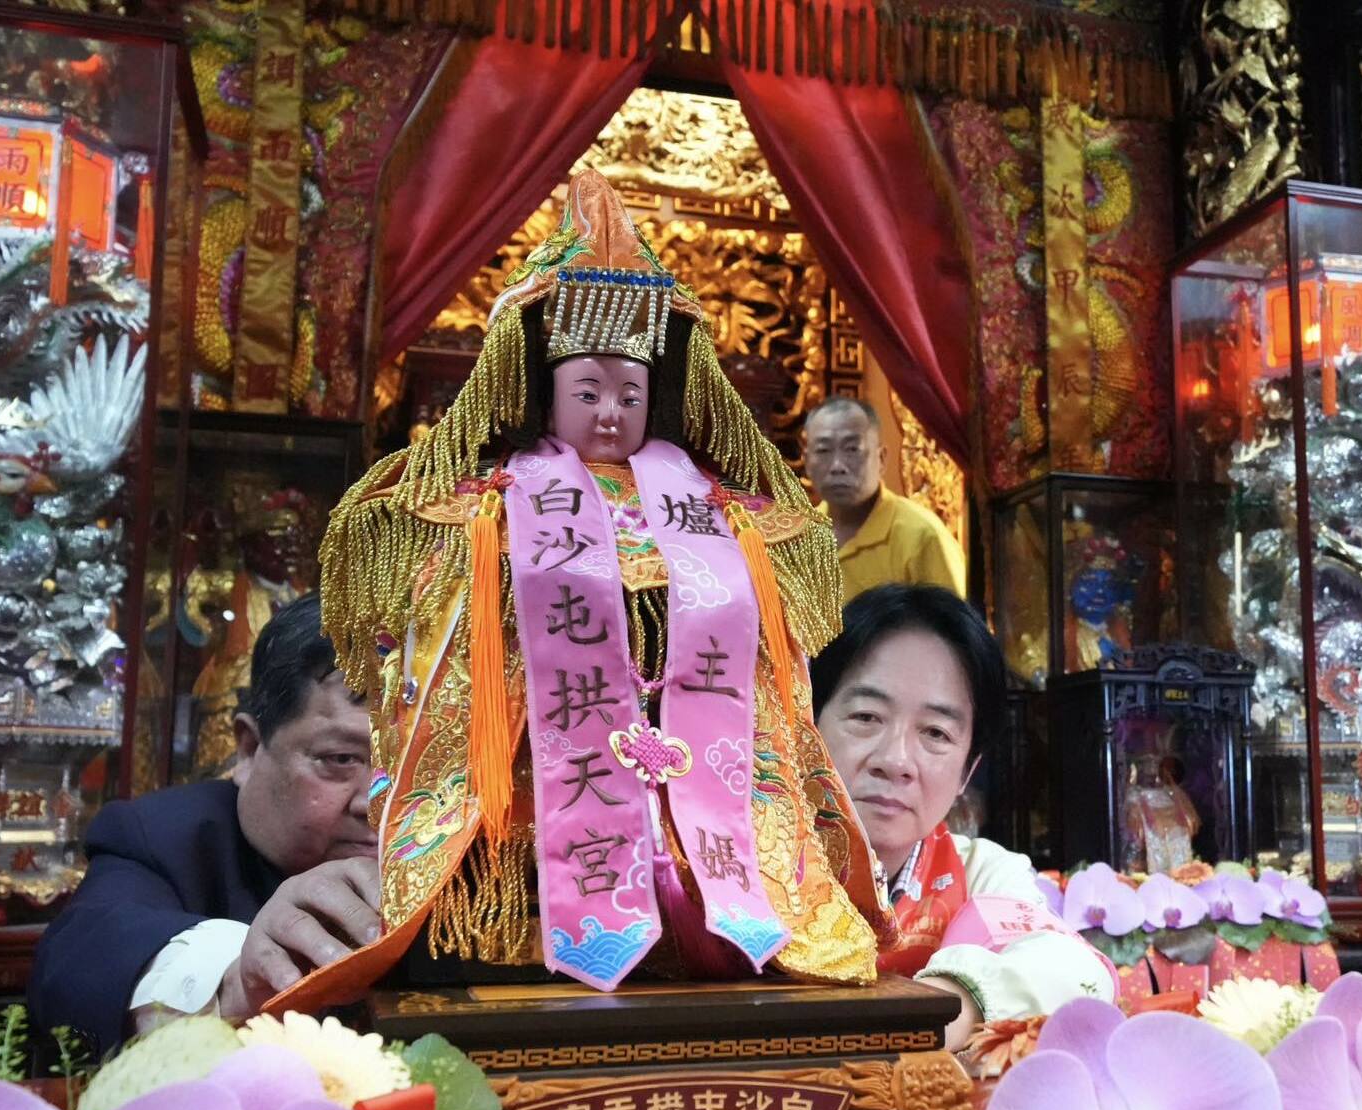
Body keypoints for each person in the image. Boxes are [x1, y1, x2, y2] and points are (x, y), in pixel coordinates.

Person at [280, 171, 886, 1012]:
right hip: (539, 791)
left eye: (629, 395)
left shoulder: (719, 509)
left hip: (696, 779)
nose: (609, 412)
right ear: (546, 392)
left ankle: (720, 905)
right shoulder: (488, 503)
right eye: (588, 392)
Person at [28, 594, 383, 1054]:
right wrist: (237, 980)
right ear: (250, 750)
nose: (380, 803)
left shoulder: (474, 857)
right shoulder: (162, 839)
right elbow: (78, 964)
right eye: (341, 759)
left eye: (420, 765)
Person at [812, 584, 1113, 1048]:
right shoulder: (745, 865)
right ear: (806, 725)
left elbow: (1077, 970)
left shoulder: (981, 873)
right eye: (867, 717)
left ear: (966, 771)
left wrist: (952, 1001)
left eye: (935, 732)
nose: (895, 761)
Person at [802, 397, 965, 603]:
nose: (837, 466)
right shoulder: (799, 537)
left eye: (852, 449)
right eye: (823, 450)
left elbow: (953, 629)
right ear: (807, 461)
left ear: (881, 459)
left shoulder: (921, 536)